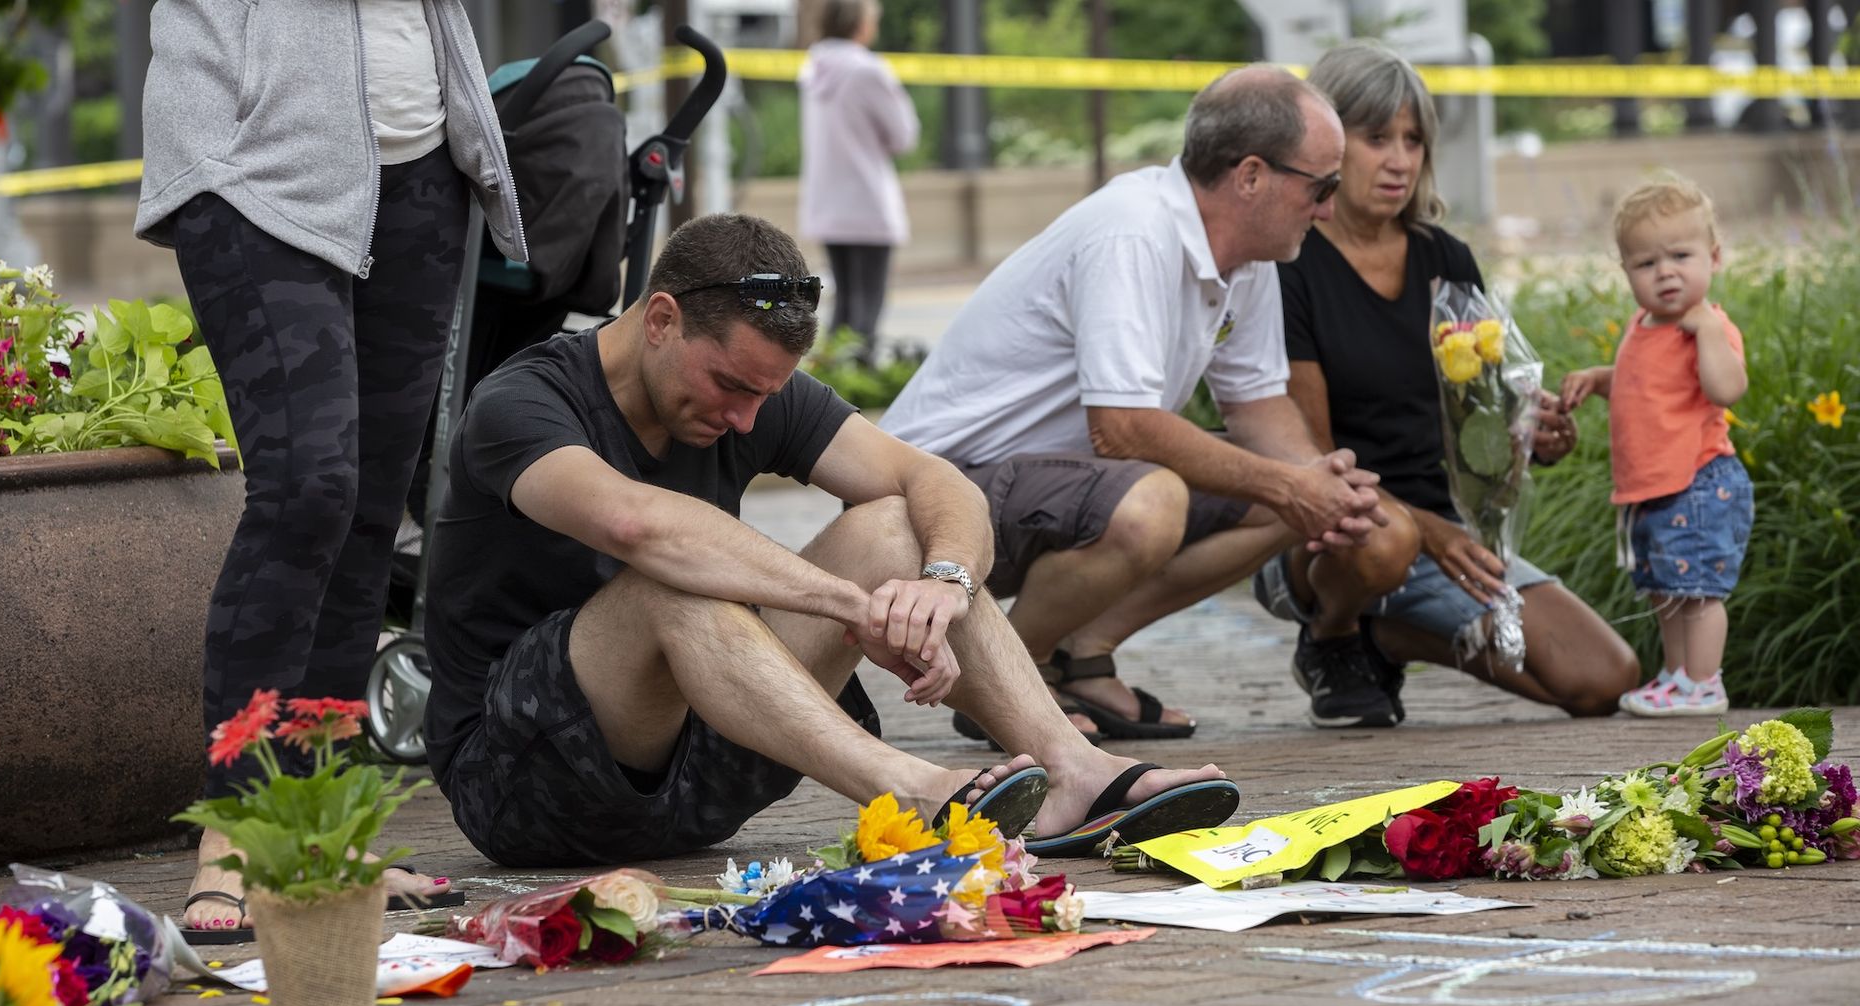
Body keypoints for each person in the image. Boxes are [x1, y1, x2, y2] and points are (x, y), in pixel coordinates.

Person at [421, 212, 1240, 864]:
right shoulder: (520, 404)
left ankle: (1074, 774)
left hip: (702, 777)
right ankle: (915, 791)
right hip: (528, 783)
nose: (746, 418)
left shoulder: (754, 391)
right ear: (661, 319)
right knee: (670, 581)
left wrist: (942, 584)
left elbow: (936, 482)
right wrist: (853, 607)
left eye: (763, 396)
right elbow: (642, 525)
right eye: (731, 386)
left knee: (894, 526)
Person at [134, 0, 528, 933]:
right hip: (251, 163)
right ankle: (236, 826)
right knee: (308, 487)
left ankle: (318, 830)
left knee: (366, 511)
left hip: (417, 166)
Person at [879, 66, 1386, 744]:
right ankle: (997, 684)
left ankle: (1078, 657)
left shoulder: (1253, 257)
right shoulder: (1134, 230)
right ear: (1252, 176)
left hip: (1048, 484)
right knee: (1153, 503)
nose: (1329, 208)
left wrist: (1327, 492)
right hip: (934, 499)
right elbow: (1121, 429)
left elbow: (1259, 408)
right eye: (1322, 185)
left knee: (1280, 501)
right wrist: (1294, 484)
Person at [1250, 40, 1638, 727]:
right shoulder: (1292, 264)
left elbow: (1480, 413)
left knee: (1601, 679)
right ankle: (1333, 633)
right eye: (1376, 138)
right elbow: (1311, 458)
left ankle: (1386, 636)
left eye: (1414, 139)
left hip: (1446, 526)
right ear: (1329, 144)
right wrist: (1426, 531)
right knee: (1381, 540)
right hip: (1335, 531)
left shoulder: (1445, 259)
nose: (1400, 159)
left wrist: (1529, 432)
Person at [1560, 175, 1751, 717]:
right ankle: (1675, 675)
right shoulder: (1644, 324)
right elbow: (1643, 380)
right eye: (1646, 263)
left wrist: (1708, 331)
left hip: (1699, 480)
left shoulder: (1707, 326)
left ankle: (1704, 682)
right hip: (1656, 489)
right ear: (1626, 273)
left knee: (1700, 593)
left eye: (1680, 256)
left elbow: (1726, 388)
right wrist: (1600, 378)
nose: (1665, 271)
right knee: (1666, 590)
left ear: (1713, 259)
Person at [797, 0, 920, 361]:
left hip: (828, 200)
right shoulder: (869, 71)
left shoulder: (813, 68)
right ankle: (855, 378)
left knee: (845, 303)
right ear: (862, 25)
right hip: (867, 199)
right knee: (867, 307)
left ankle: (835, 378)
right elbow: (904, 135)